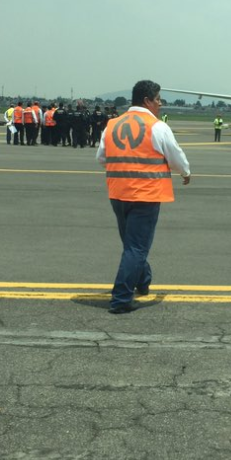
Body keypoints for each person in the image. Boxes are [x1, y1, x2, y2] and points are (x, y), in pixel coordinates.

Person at [97, 80, 191, 314]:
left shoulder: (112, 124)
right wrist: (185, 172)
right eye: (158, 99)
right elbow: (176, 155)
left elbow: (101, 157)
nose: (160, 104)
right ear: (147, 100)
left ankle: (143, 280)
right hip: (146, 195)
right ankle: (120, 299)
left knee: (132, 245)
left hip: (118, 193)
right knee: (136, 248)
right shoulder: (156, 126)